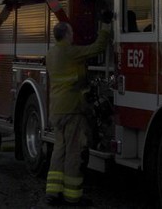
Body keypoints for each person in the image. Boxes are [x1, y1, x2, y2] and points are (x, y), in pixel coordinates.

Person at [44, 21, 112, 207]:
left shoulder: (51, 54)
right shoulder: (70, 52)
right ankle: (72, 197)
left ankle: (53, 192)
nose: (73, 35)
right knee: (74, 152)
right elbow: (97, 48)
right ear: (65, 34)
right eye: (72, 32)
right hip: (72, 109)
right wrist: (106, 28)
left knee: (59, 150)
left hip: (56, 110)